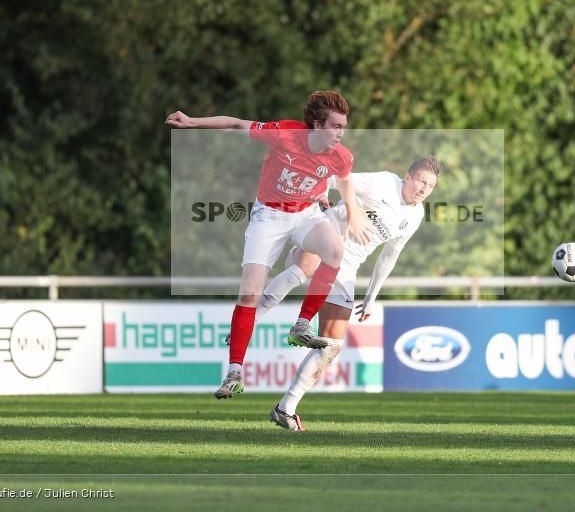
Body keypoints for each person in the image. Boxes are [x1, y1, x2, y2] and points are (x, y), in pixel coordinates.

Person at [165, 91, 374, 399]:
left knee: (334, 250)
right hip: (269, 215)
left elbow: (345, 180)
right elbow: (237, 125)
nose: (340, 133)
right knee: (249, 293)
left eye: (344, 126)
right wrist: (193, 121)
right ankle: (234, 371)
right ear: (316, 125)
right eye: (334, 126)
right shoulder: (286, 134)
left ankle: (302, 324)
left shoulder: (340, 155)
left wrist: (353, 213)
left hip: (305, 213)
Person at [255, 156, 443, 431]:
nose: (424, 189)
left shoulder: (416, 215)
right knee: (305, 266)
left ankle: (285, 408)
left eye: (431, 185)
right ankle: (249, 319)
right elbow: (338, 179)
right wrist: (321, 192)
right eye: (421, 181)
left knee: (331, 346)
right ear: (408, 177)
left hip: (347, 267)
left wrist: (371, 297)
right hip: (325, 236)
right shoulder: (384, 182)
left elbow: (389, 256)